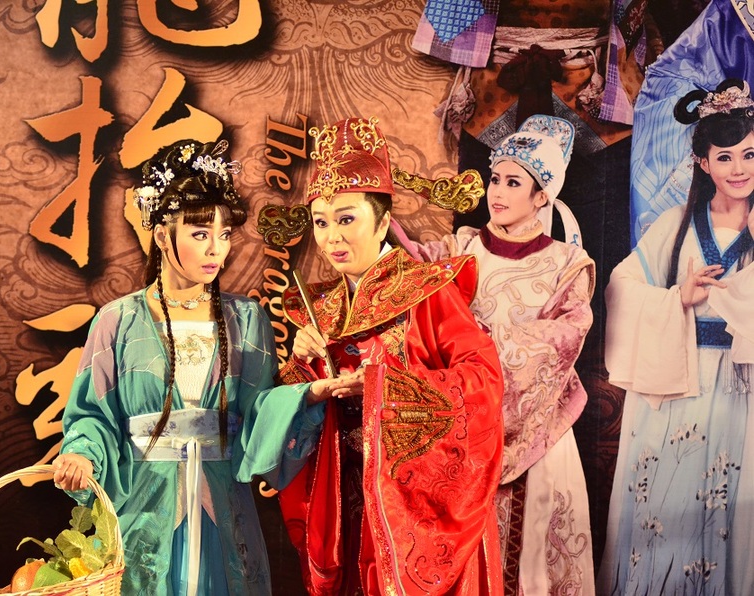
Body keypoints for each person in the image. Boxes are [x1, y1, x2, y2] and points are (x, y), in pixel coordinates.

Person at [51, 139, 353, 595]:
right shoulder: (117, 321)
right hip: (143, 506)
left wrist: (307, 394)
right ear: (161, 235)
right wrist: (81, 454)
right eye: (199, 234)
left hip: (223, 507)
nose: (217, 249)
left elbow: (258, 415)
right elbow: (93, 415)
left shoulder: (245, 319)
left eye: (224, 234)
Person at [273, 116, 506, 595]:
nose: (331, 237)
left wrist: (385, 388)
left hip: (415, 509)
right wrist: (304, 366)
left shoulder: (428, 292)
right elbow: (300, 414)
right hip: (346, 500)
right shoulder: (321, 306)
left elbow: (483, 384)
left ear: (382, 222)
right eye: (321, 222)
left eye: (346, 219)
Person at [410, 114, 597, 594]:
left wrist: (481, 341)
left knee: (532, 556)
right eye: (495, 179)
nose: (497, 192)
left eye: (514, 183)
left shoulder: (566, 263)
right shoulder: (460, 247)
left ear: (541, 197)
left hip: (538, 429)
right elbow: (415, 284)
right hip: (466, 424)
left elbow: (566, 336)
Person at [596, 79, 754, 595]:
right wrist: (676, 300)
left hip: (741, 385)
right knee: (667, 504)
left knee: (731, 504)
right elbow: (620, 287)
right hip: (678, 375)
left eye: (749, 155)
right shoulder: (675, 223)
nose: (739, 169)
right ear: (703, 164)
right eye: (724, 157)